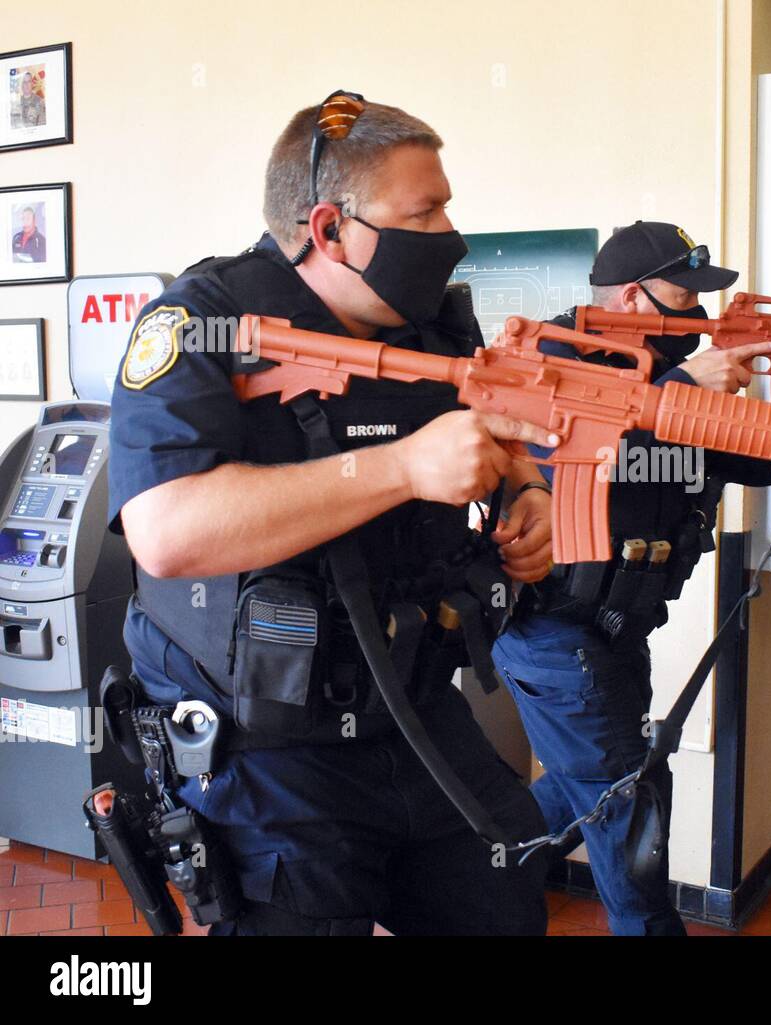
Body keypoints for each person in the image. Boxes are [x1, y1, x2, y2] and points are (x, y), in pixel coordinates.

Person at [108, 91, 558, 935]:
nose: (449, 231)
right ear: (329, 228)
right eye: (424, 211)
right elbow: (165, 532)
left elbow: (493, 424)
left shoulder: (432, 325)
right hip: (267, 740)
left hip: (415, 702)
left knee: (506, 893)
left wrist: (523, 487)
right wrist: (399, 467)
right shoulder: (200, 322)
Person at [490, 221, 771, 935]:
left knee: (618, 787)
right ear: (634, 298)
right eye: (686, 298)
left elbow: (767, 457)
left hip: (617, 631)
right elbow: (565, 456)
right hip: (555, 631)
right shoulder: (557, 353)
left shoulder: (679, 383)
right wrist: (678, 388)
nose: (700, 318)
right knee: (628, 806)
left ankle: (470, 861)